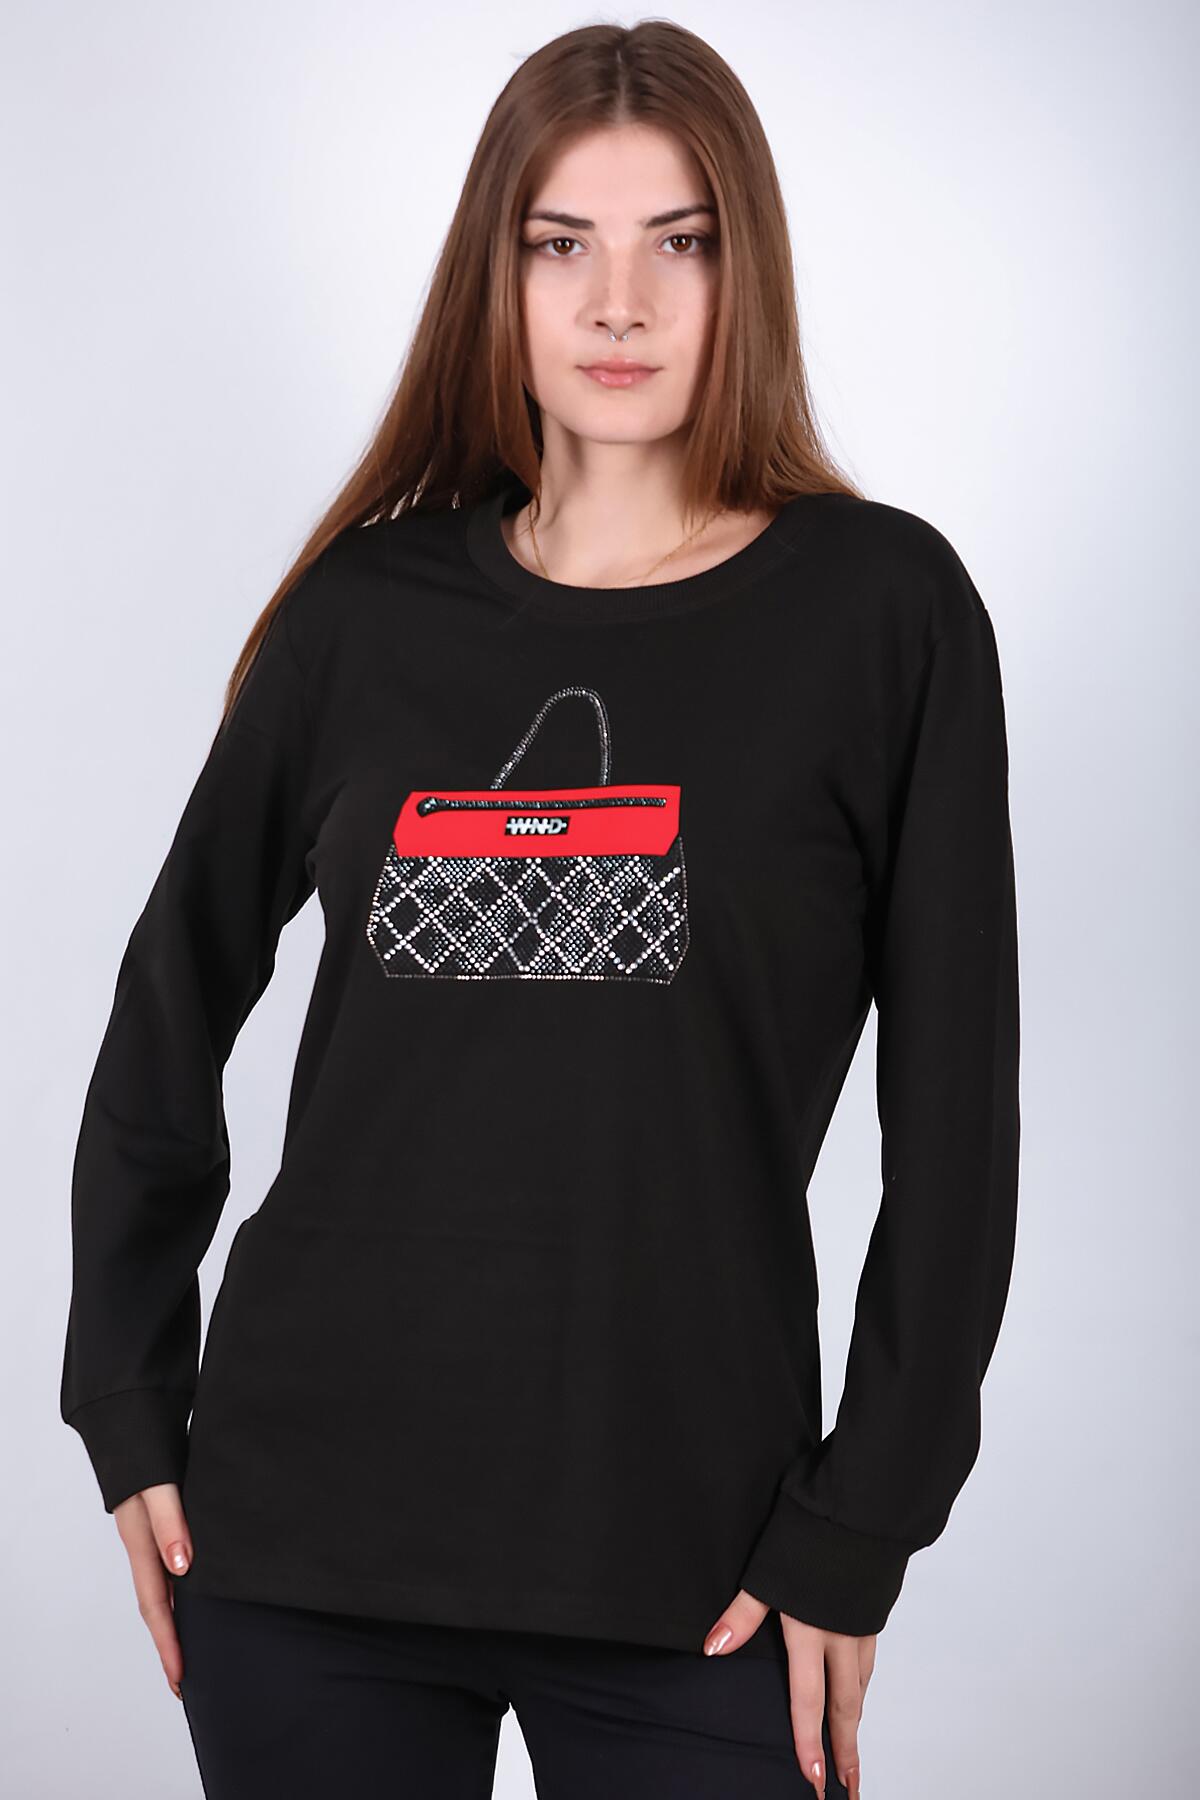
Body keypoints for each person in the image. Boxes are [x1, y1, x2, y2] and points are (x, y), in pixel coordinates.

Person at [59, 19, 1021, 1800]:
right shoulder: (365, 614)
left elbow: (956, 1123)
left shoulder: (884, 615)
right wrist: (125, 1393)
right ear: (494, 276)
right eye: (560, 243)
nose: (619, 302)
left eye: (681, 242)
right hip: (305, 1540)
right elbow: (168, 1000)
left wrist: (866, 1516)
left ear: (747, 269)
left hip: (704, 1567)